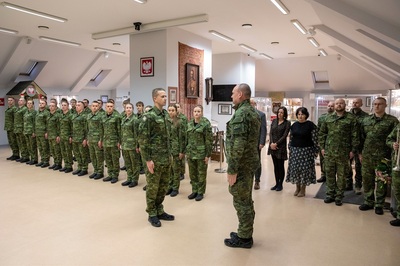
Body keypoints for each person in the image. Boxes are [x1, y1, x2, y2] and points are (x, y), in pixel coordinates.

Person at [224, 83, 260, 249]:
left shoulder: (242, 114)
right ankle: (245, 232)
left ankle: (244, 237)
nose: (231, 96)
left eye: (233, 93)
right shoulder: (251, 111)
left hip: (242, 166)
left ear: (240, 94)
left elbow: (238, 144)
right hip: (249, 163)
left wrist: (232, 169)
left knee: (241, 200)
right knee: (245, 199)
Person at [138, 88, 174, 228]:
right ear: (155, 98)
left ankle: (159, 209)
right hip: (154, 159)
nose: (165, 98)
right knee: (153, 187)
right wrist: (148, 160)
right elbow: (143, 139)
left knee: (163, 187)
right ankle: (152, 213)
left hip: (165, 158)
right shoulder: (149, 116)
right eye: (162, 96)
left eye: (166, 96)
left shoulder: (165, 115)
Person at [359, 97, 398, 214]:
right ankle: (368, 201)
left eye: (380, 104)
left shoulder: (392, 121)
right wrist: (360, 153)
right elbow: (361, 138)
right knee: (367, 179)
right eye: (375, 104)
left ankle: (379, 204)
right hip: (367, 155)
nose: (377, 106)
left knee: (382, 181)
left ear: (385, 106)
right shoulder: (366, 120)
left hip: (383, 157)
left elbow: (395, 138)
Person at [319, 98, 359, 206]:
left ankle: (339, 196)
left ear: (344, 105)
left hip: (344, 152)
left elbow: (355, 136)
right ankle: (330, 194)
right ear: (334, 105)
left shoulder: (351, 118)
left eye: (341, 103)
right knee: (330, 174)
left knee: (342, 176)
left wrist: (353, 150)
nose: (338, 105)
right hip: (329, 151)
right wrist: (322, 148)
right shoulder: (328, 118)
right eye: (337, 103)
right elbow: (322, 133)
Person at [286, 107, 318, 197]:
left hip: (306, 151)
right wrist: (290, 148)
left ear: (306, 115)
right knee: (296, 170)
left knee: (304, 170)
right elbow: (291, 138)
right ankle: (297, 187)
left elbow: (315, 139)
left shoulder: (311, 125)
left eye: (302, 114)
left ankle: (303, 189)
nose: (300, 116)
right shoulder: (294, 125)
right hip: (295, 150)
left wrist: (316, 150)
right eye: (299, 114)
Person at [185, 105, 213, 201]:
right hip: (191, 153)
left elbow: (209, 140)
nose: (196, 113)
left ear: (202, 113)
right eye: (195, 111)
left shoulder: (205, 124)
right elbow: (186, 138)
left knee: (201, 174)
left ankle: (200, 192)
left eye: (198, 111)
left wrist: (207, 155)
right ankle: (194, 190)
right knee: (192, 174)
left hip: (201, 153)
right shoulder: (189, 124)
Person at [346, 98, 369, 193]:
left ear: (361, 104)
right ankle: (348, 184)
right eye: (353, 102)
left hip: (360, 144)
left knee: (359, 167)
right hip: (348, 144)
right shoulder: (347, 115)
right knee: (347, 166)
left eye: (357, 103)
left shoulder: (366, 116)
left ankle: (358, 186)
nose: (355, 104)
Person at [267, 106, 290, 191]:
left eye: (281, 113)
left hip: (280, 147)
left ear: (284, 114)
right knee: (275, 166)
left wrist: (276, 143)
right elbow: (271, 133)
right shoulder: (274, 121)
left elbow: (285, 135)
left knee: (280, 166)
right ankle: (276, 183)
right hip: (272, 146)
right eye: (279, 112)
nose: (279, 114)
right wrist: (272, 143)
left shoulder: (287, 123)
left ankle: (280, 184)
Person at [166, 104, 186, 197]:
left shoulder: (179, 122)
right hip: (167, 148)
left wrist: (182, 151)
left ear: (176, 111)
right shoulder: (165, 121)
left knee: (176, 169)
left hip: (176, 148)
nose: (171, 112)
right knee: (169, 169)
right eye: (169, 110)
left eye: (172, 110)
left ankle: (175, 188)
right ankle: (169, 186)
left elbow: (182, 138)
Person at [120, 103, 140, 188]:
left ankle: (134, 180)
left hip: (132, 145)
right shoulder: (124, 119)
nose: (128, 109)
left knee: (134, 163)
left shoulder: (135, 119)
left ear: (132, 109)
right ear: (125, 109)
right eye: (127, 108)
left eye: (130, 108)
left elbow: (137, 134)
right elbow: (122, 132)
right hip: (125, 145)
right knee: (128, 163)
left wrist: (137, 145)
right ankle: (129, 178)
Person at [101, 99, 121, 183]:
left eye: (111, 106)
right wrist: (101, 140)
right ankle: (110, 174)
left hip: (114, 142)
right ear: (105, 107)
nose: (109, 108)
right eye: (108, 106)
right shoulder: (103, 116)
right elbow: (101, 129)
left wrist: (119, 141)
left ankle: (115, 175)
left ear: (113, 107)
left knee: (115, 159)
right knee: (108, 159)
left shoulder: (117, 117)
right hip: (106, 142)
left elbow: (120, 130)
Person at [250, 98, 267, 190]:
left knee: (257, 162)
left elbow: (263, 129)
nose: (251, 104)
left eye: (253, 103)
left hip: (256, 143)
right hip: (247, 144)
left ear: (255, 104)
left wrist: (262, 142)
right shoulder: (245, 114)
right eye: (250, 103)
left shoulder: (261, 115)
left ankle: (257, 180)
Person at [316, 101, 334, 183]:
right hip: (324, 142)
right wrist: (319, 142)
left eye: (332, 106)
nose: (330, 107)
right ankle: (323, 175)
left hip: (334, 143)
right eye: (329, 106)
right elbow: (319, 130)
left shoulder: (337, 117)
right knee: (322, 160)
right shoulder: (322, 117)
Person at [86, 100, 104, 180]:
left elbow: (102, 129)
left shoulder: (101, 116)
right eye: (93, 106)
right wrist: (87, 139)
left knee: (99, 156)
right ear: (91, 107)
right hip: (90, 139)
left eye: (96, 106)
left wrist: (101, 140)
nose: (94, 107)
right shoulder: (89, 115)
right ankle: (95, 170)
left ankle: (100, 172)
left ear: (99, 107)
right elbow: (87, 128)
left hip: (97, 139)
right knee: (92, 156)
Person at [71, 101, 89, 176]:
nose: (77, 106)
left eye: (79, 105)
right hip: (75, 138)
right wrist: (71, 136)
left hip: (82, 138)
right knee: (77, 154)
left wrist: (86, 138)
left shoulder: (85, 116)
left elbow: (87, 128)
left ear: (83, 107)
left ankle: (84, 168)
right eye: (76, 105)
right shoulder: (74, 115)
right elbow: (72, 127)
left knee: (83, 154)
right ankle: (79, 167)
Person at [387, 125, 400, 226]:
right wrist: (393, 144)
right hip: (397, 163)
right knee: (397, 190)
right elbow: (389, 139)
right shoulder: (399, 126)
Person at [46, 102, 62, 170]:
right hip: (50, 135)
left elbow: (59, 126)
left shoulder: (58, 115)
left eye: (53, 106)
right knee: (52, 150)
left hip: (55, 135)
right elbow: (47, 125)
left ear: (56, 107)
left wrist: (58, 135)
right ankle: (55, 162)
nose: (51, 107)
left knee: (57, 150)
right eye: (50, 106)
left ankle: (59, 163)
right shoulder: (48, 115)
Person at [35, 99, 50, 168]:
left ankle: (46, 161)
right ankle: (42, 160)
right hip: (38, 132)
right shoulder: (37, 112)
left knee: (45, 148)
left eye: (42, 103)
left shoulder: (46, 113)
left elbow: (48, 123)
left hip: (43, 133)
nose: (41, 104)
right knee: (40, 148)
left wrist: (47, 132)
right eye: (40, 103)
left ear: (45, 105)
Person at [59, 100, 74, 173]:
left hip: (68, 136)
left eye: (65, 105)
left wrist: (71, 136)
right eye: (62, 105)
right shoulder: (60, 115)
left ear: (68, 106)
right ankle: (66, 164)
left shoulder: (71, 115)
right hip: (62, 136)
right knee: (63, 151)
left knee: (68, 151)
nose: (63, 106)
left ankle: (69, 166)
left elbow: (72, 127)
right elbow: (59, 127)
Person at [175, 103, 188, 180]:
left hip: (182, 139)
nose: (177, 109)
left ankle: (182, 173)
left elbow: (186, 129)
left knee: (181, 159)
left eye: (178, 107)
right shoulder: (173, 118)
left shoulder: (183, 118)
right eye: (176, 107)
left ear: (181, 108)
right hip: (175, 140)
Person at [23, 99, 38, 165]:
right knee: (28, 146)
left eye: (30, 103)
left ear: (33, 104)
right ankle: (31, 158)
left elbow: (35, 123)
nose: (29, 104)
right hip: (26, 131)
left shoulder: (34, 112)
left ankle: (35, 159)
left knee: (33, 146)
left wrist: (34, 132)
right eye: (28, 103)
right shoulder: (26, 112)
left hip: (31, 131)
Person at [14, 97, 28, 163]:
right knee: (20, 143)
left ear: (24, 102)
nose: (20, 101)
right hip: (17, 129)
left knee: (23, 143)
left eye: (21, 100)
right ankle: (23, 156)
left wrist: (24, 129)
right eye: (19, 100)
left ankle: (26, 156)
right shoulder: (17, 109)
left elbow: (25, 120)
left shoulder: (24, 109)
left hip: (22, 129)